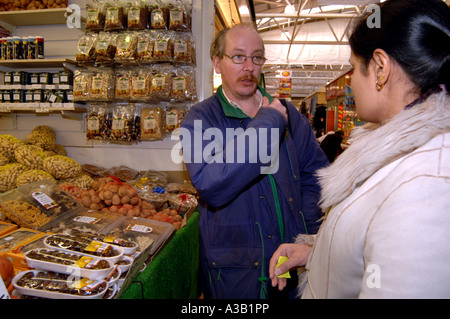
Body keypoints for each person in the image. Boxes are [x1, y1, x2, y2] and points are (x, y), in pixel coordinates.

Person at [269, 0, 450, 298]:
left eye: (353, 68)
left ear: (380, 68)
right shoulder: (394, 153)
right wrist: (316, 251)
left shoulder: (428, 183)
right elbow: (372, 245)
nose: (351, 81)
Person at [180, 23, 329, 299]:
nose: (249, 67)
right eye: (238, 57)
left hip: (288, 262)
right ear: (217, 63)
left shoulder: (289, 114)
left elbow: (316, 177)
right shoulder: (200, 119)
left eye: (256, 57)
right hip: (234, 269)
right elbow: (211, 183)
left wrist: (304, 238)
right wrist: (268, 123)